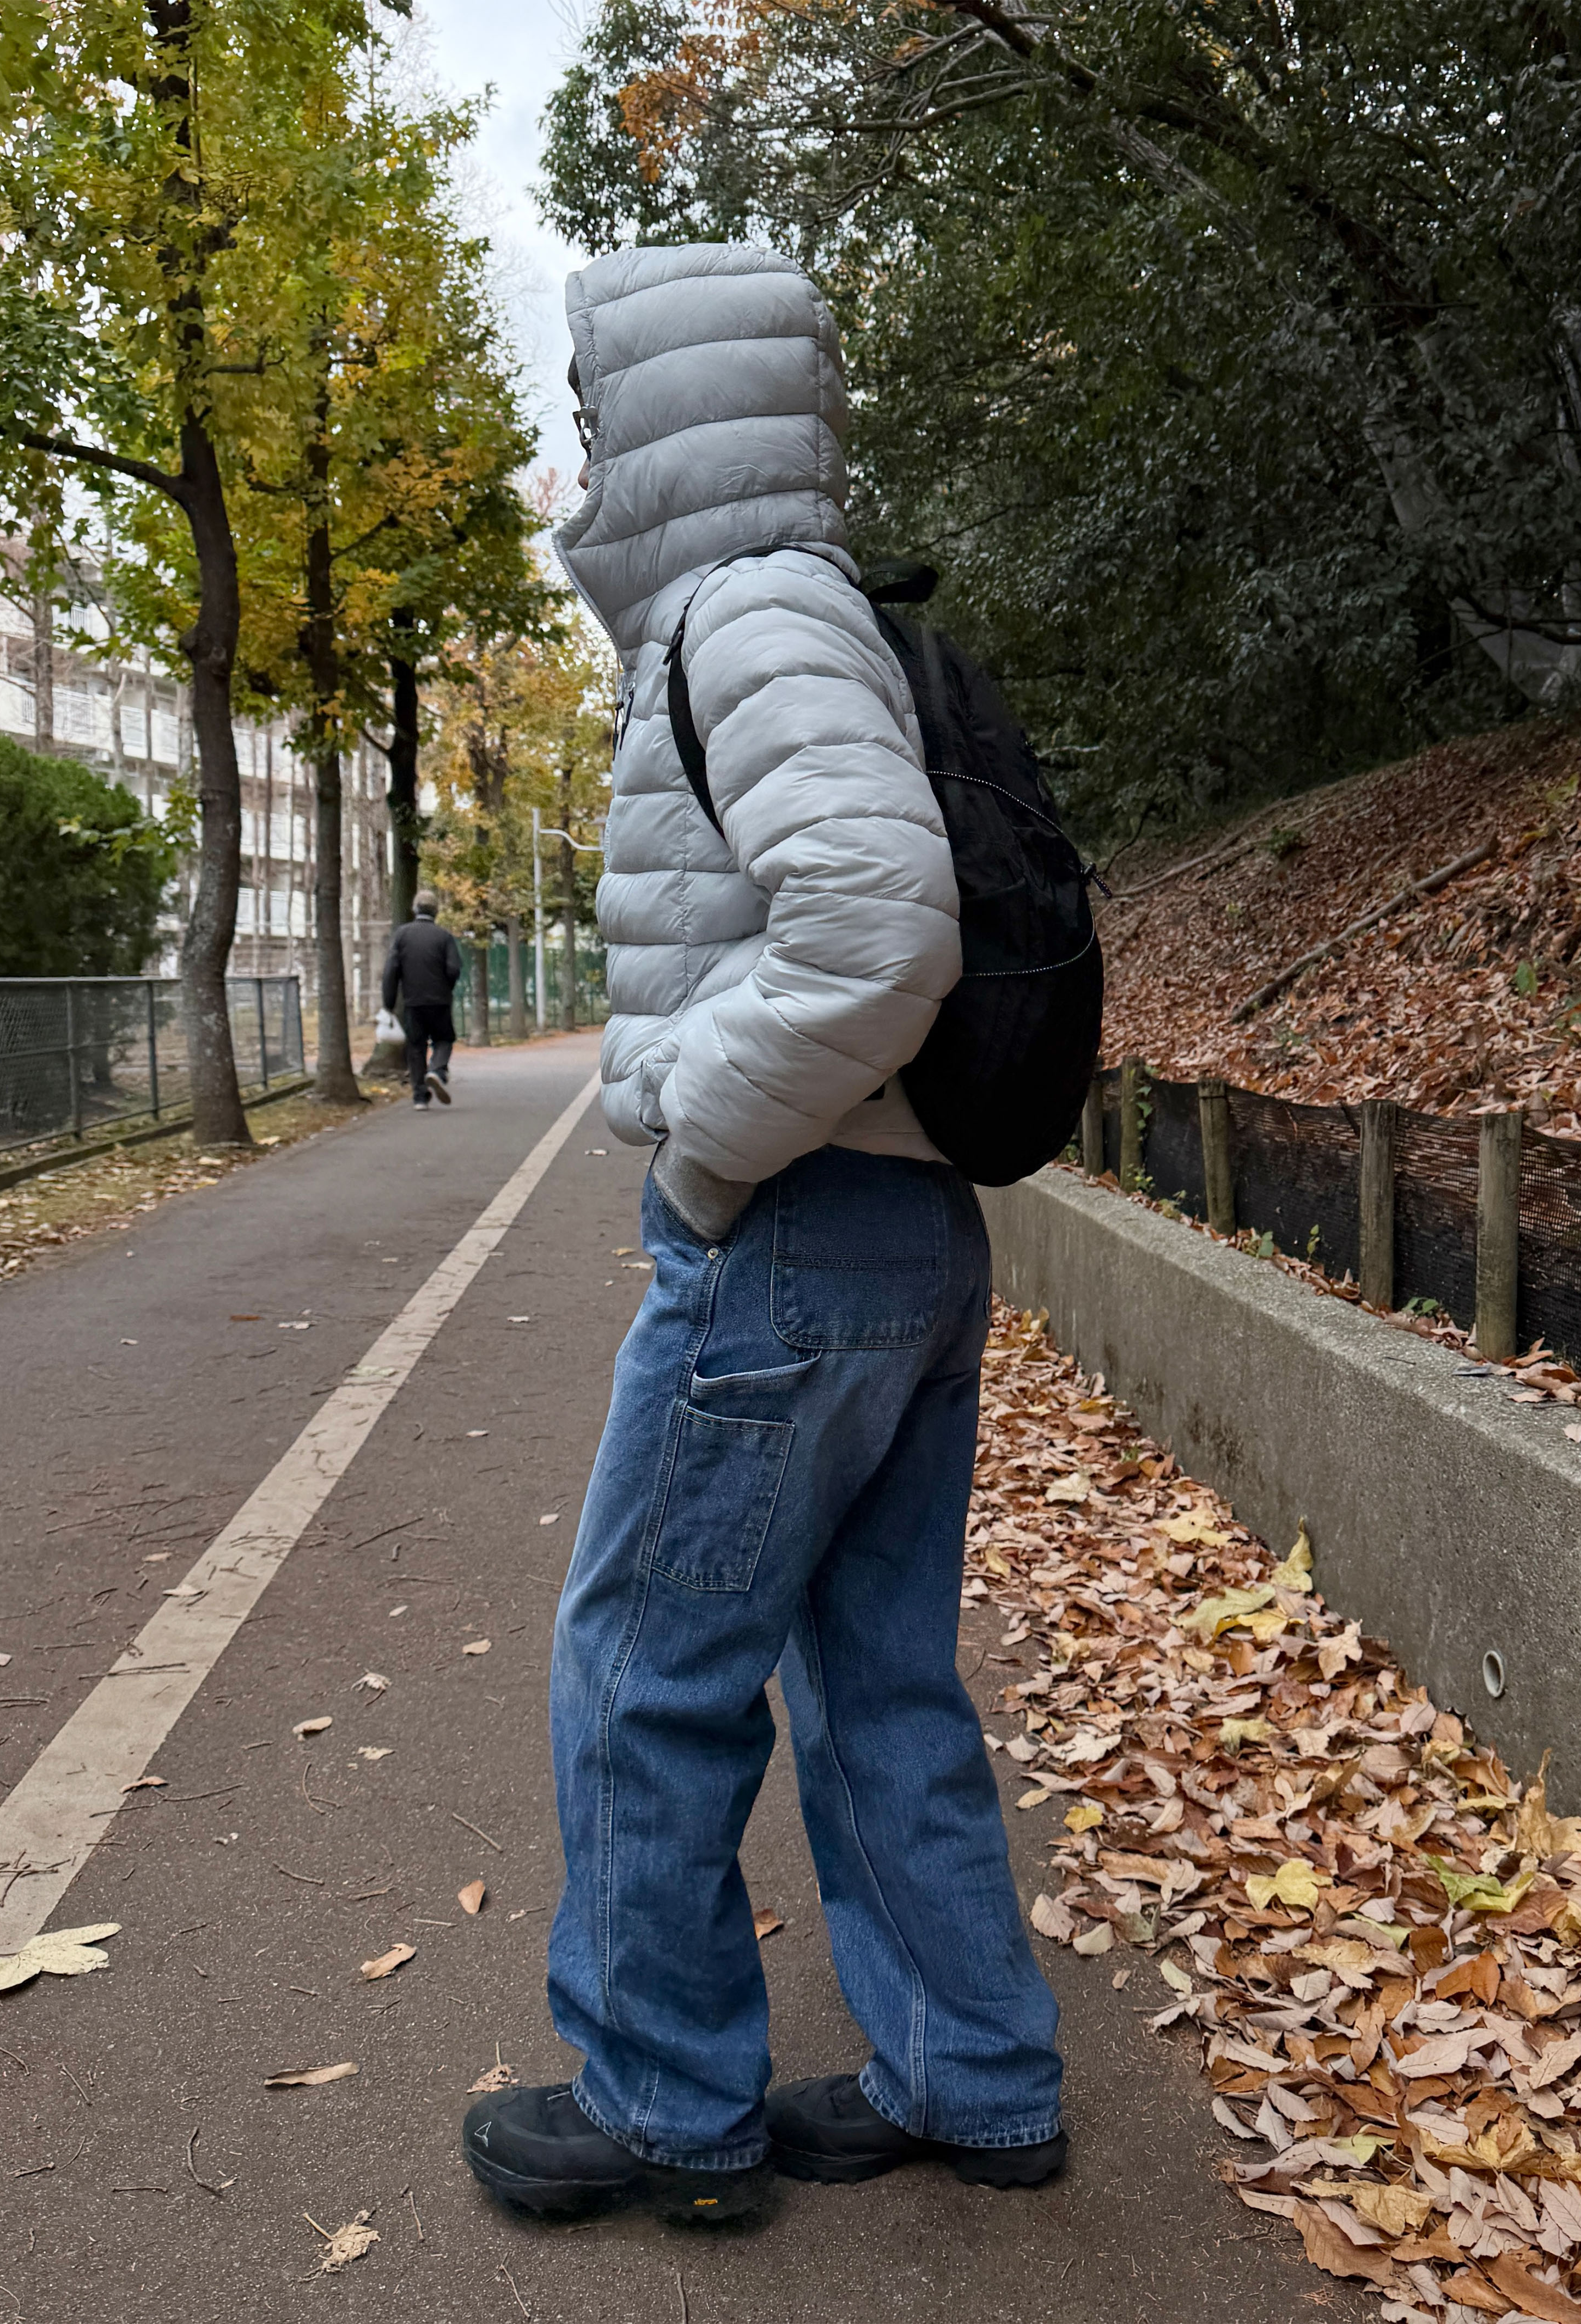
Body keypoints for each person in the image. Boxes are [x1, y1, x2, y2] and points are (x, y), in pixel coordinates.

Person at [461, 243, 1064, 2227]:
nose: (574, 453)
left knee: (647, 1666)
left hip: (794, 1229)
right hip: (901, 1223)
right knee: (876, 1675)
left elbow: (875, 923)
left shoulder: (745, 610)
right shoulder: (804, 605)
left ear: (661, 413)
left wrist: (700, 1144)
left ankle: (665, 2101)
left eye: (587, 408)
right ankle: (976, 2073)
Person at [381, 890, 461, 1109]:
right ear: (436, 911)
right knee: (444, 1039)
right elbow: (454, 969)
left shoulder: (402, 935)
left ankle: (420, 1097)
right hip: (440, 1001)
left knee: (416, 1047)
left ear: (415, 909)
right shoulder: (444, 937)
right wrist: (445, 988)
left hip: (413, 1002)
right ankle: (437, 1070)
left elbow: (391, 971)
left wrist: (388, 1004)